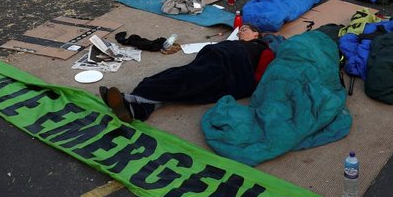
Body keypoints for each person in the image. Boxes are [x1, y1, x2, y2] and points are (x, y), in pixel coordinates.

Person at [99, 24, 272, 122]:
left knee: (186, 80)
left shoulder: (261, 47)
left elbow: (261, 74)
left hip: (229, 67)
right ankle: (138, 109)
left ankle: (130, 100)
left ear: (256, 34)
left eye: (246, 29)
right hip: (212, 58)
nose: (241, 30)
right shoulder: (236, 42)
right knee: (173, 75)